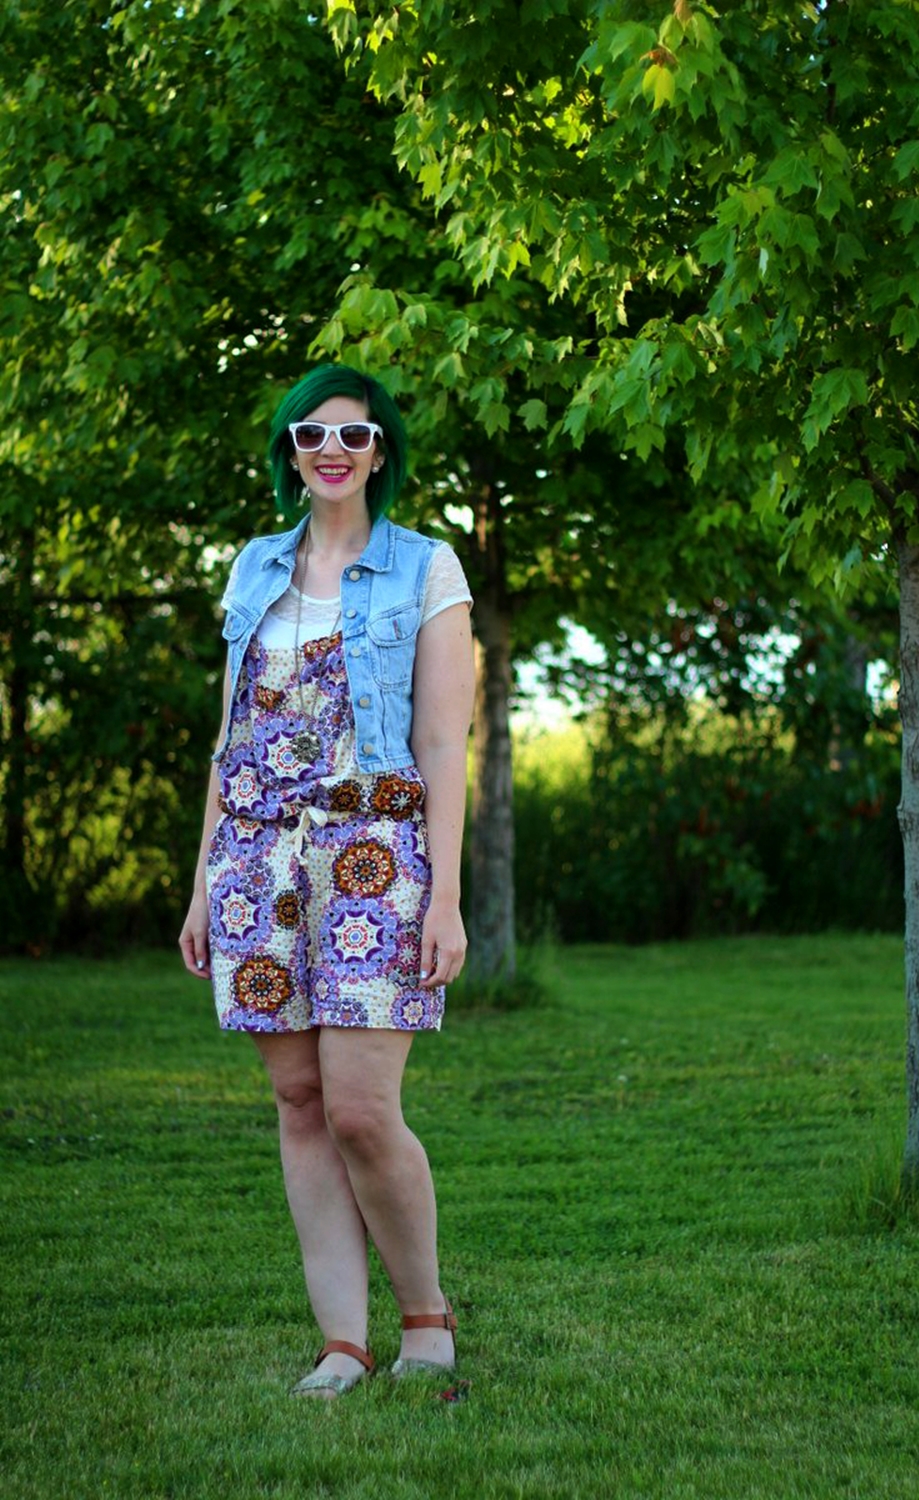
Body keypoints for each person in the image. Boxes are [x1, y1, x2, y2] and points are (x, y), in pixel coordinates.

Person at [178, 364, 475, 1398]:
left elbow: (443, 744)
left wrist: (443, 898)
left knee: (358, 1106)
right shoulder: (254, 569)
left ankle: (426, 1319)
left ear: (380, 451)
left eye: (352, 435)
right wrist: (201, 878)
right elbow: (230, 740)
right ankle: (341, 1342)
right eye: (311, 434)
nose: (331, 450)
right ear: (291, 453)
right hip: (256, 864)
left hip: (372, 860)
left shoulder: (426, 570)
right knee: (298, 1101)